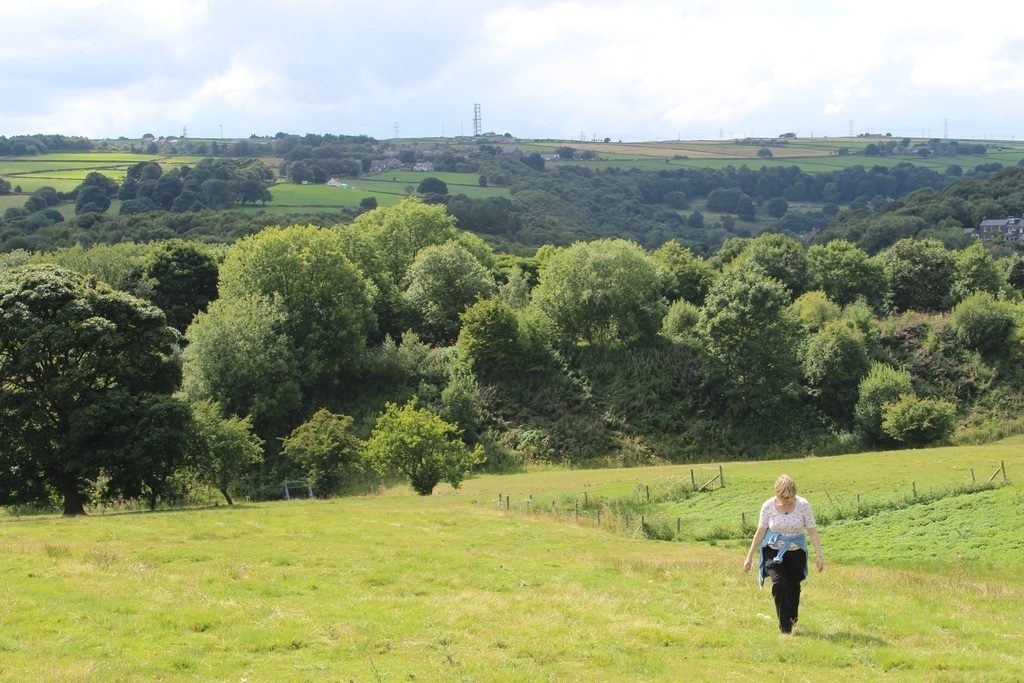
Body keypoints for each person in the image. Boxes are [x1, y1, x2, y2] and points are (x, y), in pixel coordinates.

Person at [742, 474, 824, 634]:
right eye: (785, 498)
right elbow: (760, 532)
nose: (789, 501)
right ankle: (785, 628)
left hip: (796, 552)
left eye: (792, 497)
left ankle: (792, 619)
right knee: (779, 584)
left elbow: (813, 531)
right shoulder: (767, 506)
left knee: (793, 586)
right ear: (777, 494)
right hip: (773, 551)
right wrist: (749, 556)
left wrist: (819, 555)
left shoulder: (803, 505)